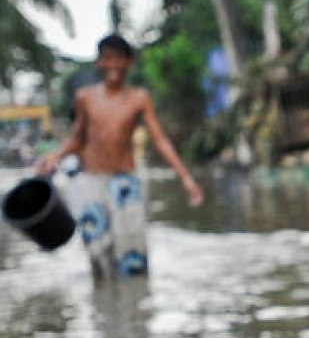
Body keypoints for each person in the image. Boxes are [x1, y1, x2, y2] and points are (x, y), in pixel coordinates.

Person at [36, 34, 203, 278]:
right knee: (96, 249)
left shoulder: (139, 98)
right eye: (107, 58)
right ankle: (104, 309)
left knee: (132, 251)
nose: (113, 64)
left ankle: (135, 310)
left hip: (125, 182)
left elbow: (160, 140)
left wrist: (186, 178)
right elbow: (78, 140)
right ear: (99, 63)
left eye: (119, 58)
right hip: (91, 180)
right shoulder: (85, 97)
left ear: (129, 63)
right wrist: (56, 156)